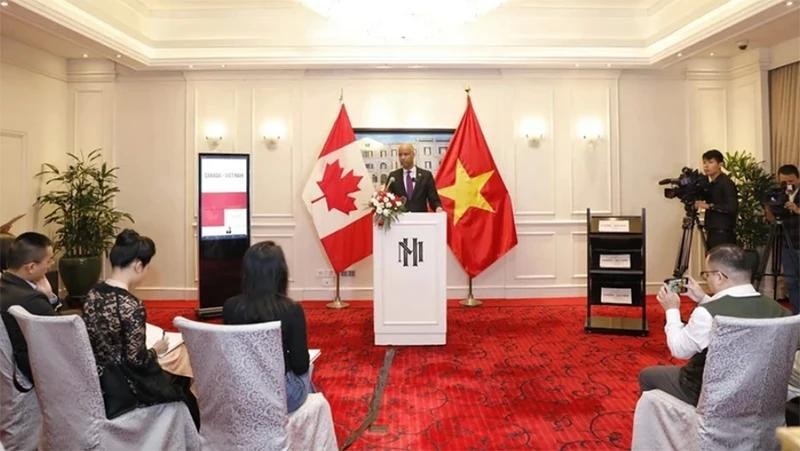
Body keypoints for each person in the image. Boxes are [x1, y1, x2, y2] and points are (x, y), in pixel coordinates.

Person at [639, 244, 789, 406]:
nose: (706, 279)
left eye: (706, 275)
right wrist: (703, 298)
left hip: (711, 393)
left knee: (647, 375)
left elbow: (679, 349)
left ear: (718, 277)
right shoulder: (780, 311)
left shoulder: (707, 314)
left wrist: (672, 310)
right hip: (762, 390)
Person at [83, 229, 199, 426]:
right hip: (123, 386)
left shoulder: (92, 294)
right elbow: (137, 361)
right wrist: (156, 350)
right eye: (147, 267)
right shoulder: (130, 304)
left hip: (98, 378)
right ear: (138, 265)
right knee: (183, 387)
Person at [223, 241, 314, 413]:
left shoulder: (230, 307)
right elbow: (300, 365)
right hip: (280, 396)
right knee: (308, 371)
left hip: (241, 391)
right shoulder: (292, 310)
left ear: (246, 272)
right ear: (281, 272)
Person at [0, 232, 59, 381]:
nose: (51, 265)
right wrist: (49, 298)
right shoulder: (31, 300)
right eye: (49, 260)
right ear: (31, 267)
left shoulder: (5, 285)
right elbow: (63, 339)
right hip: (33, 377)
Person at [764, 164, 800, 313]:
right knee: (791, 281)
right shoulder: (779, 194)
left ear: (798, 178)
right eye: (784, 182)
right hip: (786, 242)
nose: (788, 185)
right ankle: (797, 312)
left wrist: (797, 209)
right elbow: (772, 220)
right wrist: (768, 207)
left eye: (791, 181)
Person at [694, 149, 738, 250]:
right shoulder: (710, 184)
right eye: (704, 162)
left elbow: (732, 207)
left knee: (721, 264)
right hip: (712, 232)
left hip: (723, 235)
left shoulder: (726, 183)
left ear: (720, 164)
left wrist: (709, 206)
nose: (706, 166)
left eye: (710, 162)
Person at [386, 143, 444, 213]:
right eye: (400, 155)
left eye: (406, 154)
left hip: (420, 220)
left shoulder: (426, 175)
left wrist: (438, 208)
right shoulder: (393, 176)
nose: (402, 158)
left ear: (413, 155)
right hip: (400, 220)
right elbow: (387, 198)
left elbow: (433, 199)